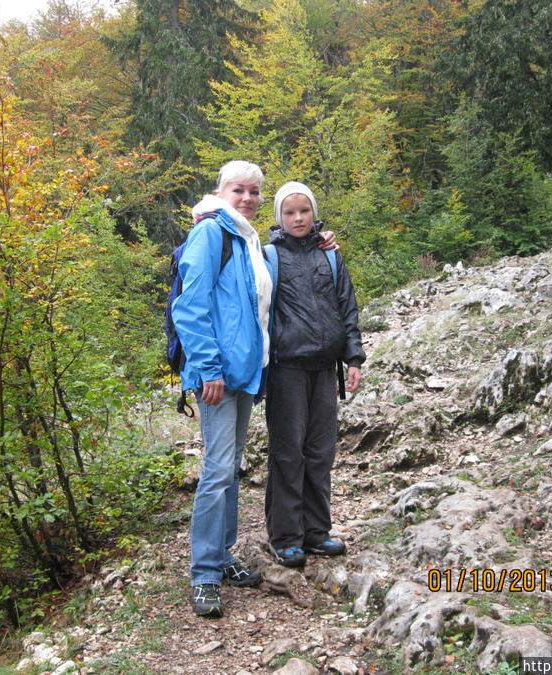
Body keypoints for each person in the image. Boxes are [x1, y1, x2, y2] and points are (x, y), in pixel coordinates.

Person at [172, 162, 337, 617]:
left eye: (254, 191)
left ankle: (222, 557)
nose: (246, 196)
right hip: (217, 376)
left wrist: (322, 243)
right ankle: (204, 573)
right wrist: (206, 368)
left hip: (245, 374)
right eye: (238, 189)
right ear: (220, 191)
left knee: (230, 468)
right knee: (219, 468)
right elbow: (190, 306)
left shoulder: (245, 238)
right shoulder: (211, 234)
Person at [264, 181, 365, 568]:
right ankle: (285, 535)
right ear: (279, 217)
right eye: (289, 212)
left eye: (304, 211)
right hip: (286, 369)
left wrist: (353, 359)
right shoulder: (268, 256)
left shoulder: (331, 257)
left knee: (320, 453)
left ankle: (316, 533)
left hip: (326, 369)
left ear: (313, 212)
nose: (298, 218)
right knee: (288, 453)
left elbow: (347, 308)